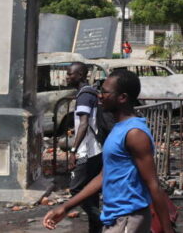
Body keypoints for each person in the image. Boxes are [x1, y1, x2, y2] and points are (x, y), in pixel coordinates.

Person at [44, 69, 175, 233]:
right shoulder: (118, 128)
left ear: (122, 97)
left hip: (128, 218)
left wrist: (167, 230)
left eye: (105, 92)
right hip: (116, 218)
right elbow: (104, 175)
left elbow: (153, 184)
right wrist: (65, 207)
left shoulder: (135, 133)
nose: (100, 96)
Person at [66, 62, 103, 233]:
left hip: (87, 150)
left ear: (80, 75)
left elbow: (83, 123)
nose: (67, 77)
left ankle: (102, 221)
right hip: (96, 149)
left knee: (76, 189)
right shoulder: (90, 92)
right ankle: (95, 229)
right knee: (91, 191)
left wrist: (73, 151)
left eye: (70, 74)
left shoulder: (84, 95)